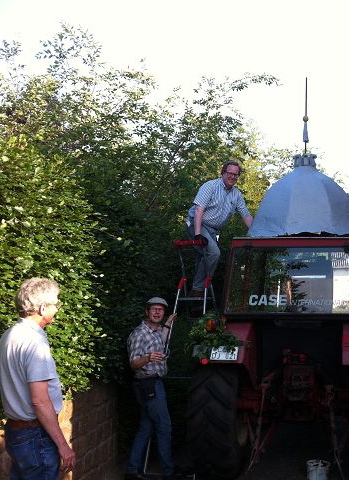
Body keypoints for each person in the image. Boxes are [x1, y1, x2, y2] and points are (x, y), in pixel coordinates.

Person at [0, 277, 76, 479]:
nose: (57, 309)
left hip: (17, 432)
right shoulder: (34, 342)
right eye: (55, 304)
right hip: (35, 436)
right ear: (42, 308)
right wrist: (63, 445)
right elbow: (39, 401)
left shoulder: (8, 335)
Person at [124, 297, 178, 480]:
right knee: (164, 427)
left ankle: (132, 471)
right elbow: (133, 363)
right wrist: (148, 358)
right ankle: (168, 472)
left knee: (146, 427)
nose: (157, 312)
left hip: (151, 384)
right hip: (149, 385)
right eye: (154, 309)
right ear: (147, 312)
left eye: (160, 310)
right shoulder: (139, 334)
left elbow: (162, 339)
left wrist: (168, 324)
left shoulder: (154, 332)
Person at [185, 161, 253, 296]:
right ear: (223, 173)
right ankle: (198, 290)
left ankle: (195, 297)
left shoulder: (236, 194)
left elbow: (245, 215)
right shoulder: (210, 186)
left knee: (203, 257)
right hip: (197, 223)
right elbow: (199, 210)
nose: (232, 177)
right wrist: (198, 235)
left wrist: (256, 234)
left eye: (236, 175)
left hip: (213, 230)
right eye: (230, 173)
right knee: (214, 253)